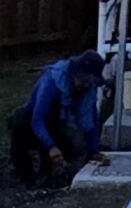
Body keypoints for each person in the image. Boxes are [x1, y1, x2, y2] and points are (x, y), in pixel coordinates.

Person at [9, 49, 107, 189]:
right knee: (20, 116)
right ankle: (27, 174)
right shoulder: (51, 81)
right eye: (83, 81)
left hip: (59, 123)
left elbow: (91, 119)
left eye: (90, 82)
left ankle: (50, 169)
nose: (86, 86)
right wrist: (51, 146)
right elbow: (38, 118)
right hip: (34, 125)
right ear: (75, 74)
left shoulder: (87, 89)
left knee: (77, 149)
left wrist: (93, 150)